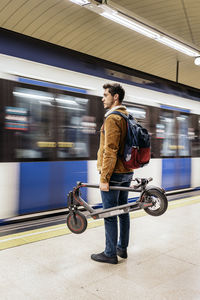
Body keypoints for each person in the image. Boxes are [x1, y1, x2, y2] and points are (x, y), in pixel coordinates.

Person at [91, 83, 133, 264]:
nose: (102, 98)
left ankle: (110, 253)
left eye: (105, 95)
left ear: (115, 97)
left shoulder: (112, 118)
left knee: (109, 213)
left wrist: (104, 178)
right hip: (127, 171)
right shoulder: (127, 115)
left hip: (114, 173)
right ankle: (121, 248)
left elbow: (111, 150)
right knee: (123, 210)